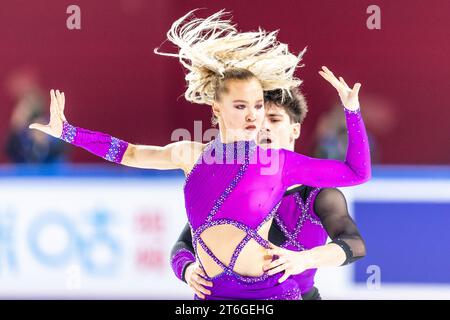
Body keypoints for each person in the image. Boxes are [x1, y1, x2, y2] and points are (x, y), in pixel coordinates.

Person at [29, 10, 371, 299]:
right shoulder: (191, 155)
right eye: (241, 106)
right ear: (216, 111)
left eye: (257, 107)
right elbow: (129, 153)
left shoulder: (279, 163)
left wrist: (352, 112)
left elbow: (357, 173)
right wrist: (70, 133)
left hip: (266, 295)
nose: (254, 116)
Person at [170, 88, 367, 300]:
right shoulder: (231, 187)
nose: (264, 127)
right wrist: (189, 270)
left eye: (274, 119)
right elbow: (183, 245)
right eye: (259, 120)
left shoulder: (317, 194)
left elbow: (354, 243)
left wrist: (304, 259)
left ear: (295, 130)